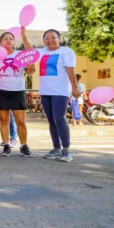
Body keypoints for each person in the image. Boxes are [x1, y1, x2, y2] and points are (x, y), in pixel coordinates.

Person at [36, 29, 80, 162]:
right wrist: (24, 35)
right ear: (43, 41)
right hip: (45, 91)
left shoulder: (66, 51)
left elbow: (70, 70)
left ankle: (66, 150)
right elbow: (28, 51)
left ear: (59, 39)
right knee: (51, 120)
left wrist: (75, 88)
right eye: (46, 38)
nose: (49, 40)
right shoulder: (42, 51)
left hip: (60, 91)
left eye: (52, 37)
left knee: (59, 118)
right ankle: (56, 148)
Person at [0, 28, 35, 157]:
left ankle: (24, 146)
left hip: (17, 91)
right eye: (5, 39)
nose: (8, 41)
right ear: (1, 43)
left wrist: (31, 68)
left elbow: (29, 71)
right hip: (0, 90)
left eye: (11, 39)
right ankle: (6, 146)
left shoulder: (20, 55)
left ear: (14, 42)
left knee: (21, 121)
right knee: (4, 120)